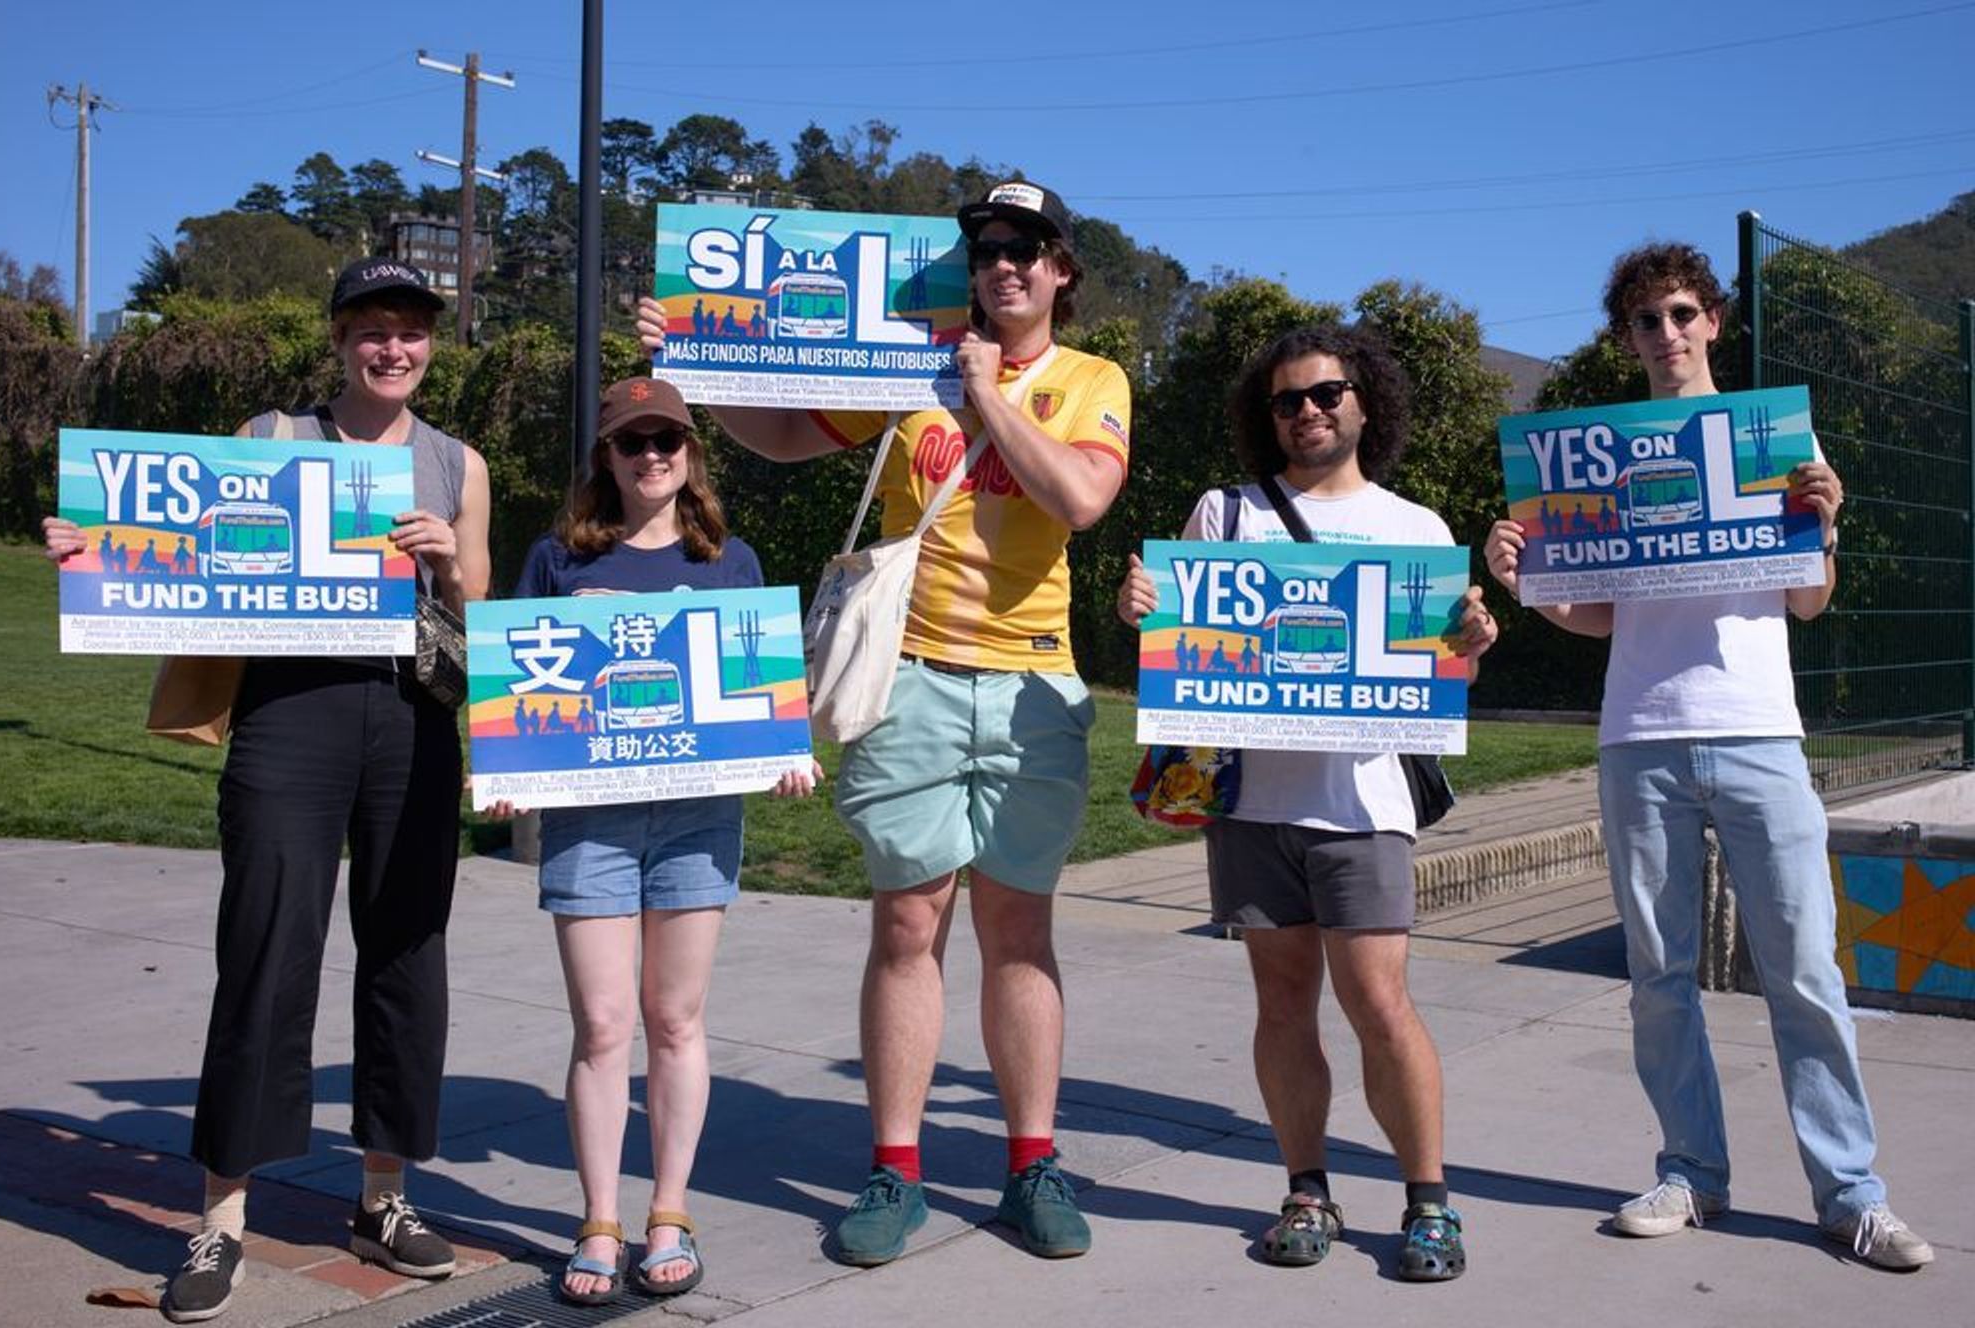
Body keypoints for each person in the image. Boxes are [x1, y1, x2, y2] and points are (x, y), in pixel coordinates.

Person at [636, 178, 1129, 1264]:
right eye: (986, 247)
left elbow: (1078, 500)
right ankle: (893, 1170)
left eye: (1024, 247)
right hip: (902, 675)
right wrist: (695, 366)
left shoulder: (1092, 380)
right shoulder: (906, 363)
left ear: (1059, 271)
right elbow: (781, 435)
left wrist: (987, 393)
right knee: (907, 926)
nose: (1002, 263)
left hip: (1031, 685)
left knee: (1019, 929)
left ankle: (1030, 1163)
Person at [42, 257, 492, 1322]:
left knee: (405, 955)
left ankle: (381, 1196)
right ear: (337, 340)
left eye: (412, 329)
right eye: (372, 328)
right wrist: (86, 544)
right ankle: (222, 1214)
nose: (394, 347)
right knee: (264, 951)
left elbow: (479, 615)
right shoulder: (270, 439)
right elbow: (177, 551)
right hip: (288, 717)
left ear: (432, 343)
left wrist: (447, 564)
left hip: (412, 721)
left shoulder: (456, 463)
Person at [1483, 241, 1932, 1271]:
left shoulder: (1774, 437)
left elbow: (1806, 601)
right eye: (1645, 319)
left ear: (1713, 321)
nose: (1665, 333)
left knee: (1805, 970)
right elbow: (1599, 613)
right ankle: (1691, 1171)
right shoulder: (1594, 454)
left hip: (1759, 729)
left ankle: (1848, 1192)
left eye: (1681, 313)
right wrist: (1525, 579)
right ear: (1624, 335)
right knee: (1657, 975)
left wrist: (1824, 521)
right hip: (1635, 735)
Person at [1118, 324, 1496, 1281]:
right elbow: (1179, 653)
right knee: (1282, 1003)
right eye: (1288, 400)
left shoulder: (1416, 528)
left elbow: (1438, 679)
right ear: (1267, 415)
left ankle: (1430, 1203)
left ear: (1365, 401)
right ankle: (1307, 1188)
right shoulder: (1227, 513)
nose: (1309, 412)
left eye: (1327, 394)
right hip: (1252, 803)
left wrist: (1470, 646)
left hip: (1364, 803)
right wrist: (1142, 612)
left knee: (1379, 1001)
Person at [486, 375, 817, 1304]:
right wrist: (507, 773)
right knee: (601, 1025)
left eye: (667, 439)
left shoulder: (731, 561)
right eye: (632, 443)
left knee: (674, 1021)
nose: (652, 457)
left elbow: (764, 697)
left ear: (691, 453)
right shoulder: (560, 560)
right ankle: (599, 1219)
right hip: (589, 820)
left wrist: (784, 753)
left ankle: (669, 1210)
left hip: (699, 817)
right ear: (607, 457)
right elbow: (517, 695)